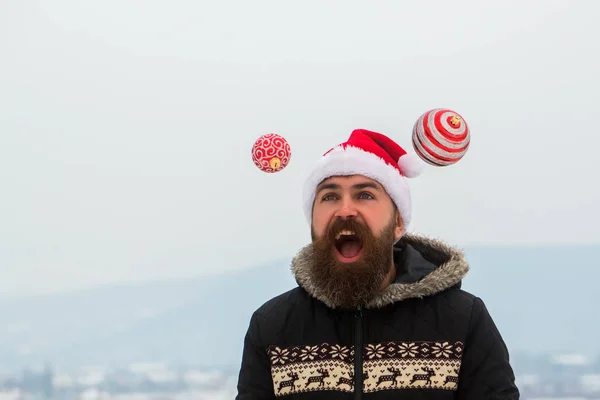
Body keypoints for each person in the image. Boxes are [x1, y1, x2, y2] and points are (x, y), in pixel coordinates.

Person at [235, 129, 519, 399]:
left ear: (397, 223)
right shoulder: (272, 327)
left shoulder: (463, 320)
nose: (345, 210)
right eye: (330, 196)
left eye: (365, 195)